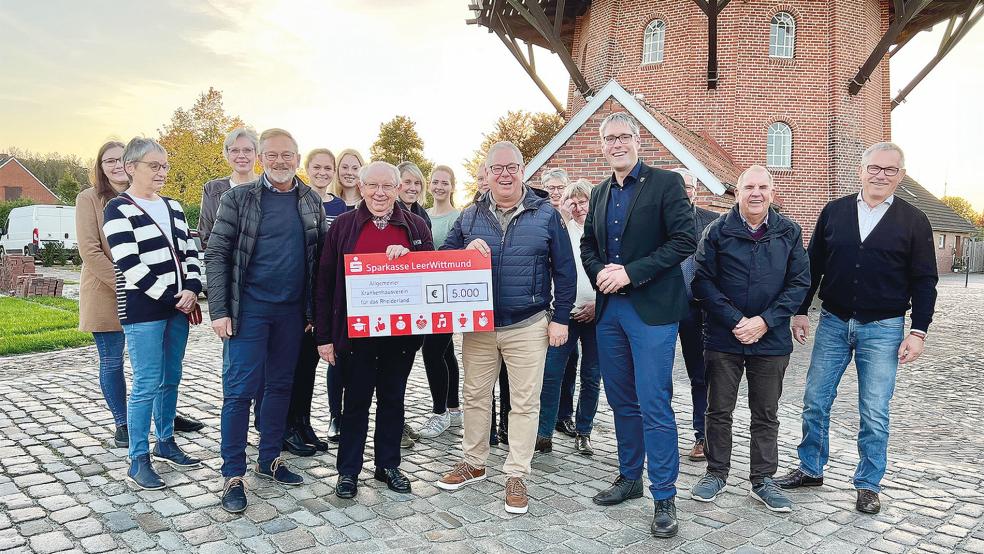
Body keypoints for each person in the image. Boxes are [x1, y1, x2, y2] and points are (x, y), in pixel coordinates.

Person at [776, 142, 938, 515]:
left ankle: (868, 484)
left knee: (874, 410)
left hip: (883, 328)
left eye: (890, 170)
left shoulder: (914, 220)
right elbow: (812, 264)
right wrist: (801, 311)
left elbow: (925, 280)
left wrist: (919, 331)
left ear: (901, 175)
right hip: (832, 321)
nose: (881, 175)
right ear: (861, 170)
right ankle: (811, 468)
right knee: (815, 400)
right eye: (874, 168)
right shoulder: (834, 212)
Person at [435, 141, 576, 516]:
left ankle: (517, 474)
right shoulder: (469, 216)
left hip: (527, 323)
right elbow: (443, 258)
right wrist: (466, 252)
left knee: (525, 403)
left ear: (523, 170)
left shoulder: (546, 214)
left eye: (512, 167)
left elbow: (564, 270)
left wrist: (561, 318)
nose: (504, 174)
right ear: (487, 173)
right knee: (476, 396)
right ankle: (474, 462)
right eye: (497, 168)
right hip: (479, 326)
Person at [580, 112, 696, 538]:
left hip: (651, 312)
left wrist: (630, 271)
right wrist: (601, 274)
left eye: (623, 137)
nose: (616, 144)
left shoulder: (665, 184)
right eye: (609, 139)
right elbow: (587, 243)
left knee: (654, 403)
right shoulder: (597, 192)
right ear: (603, 145)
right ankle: (630, 477)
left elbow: (685, 240)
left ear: (637, 140)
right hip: (610, 312)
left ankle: (664, 494)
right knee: (621, 400)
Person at [205, 128, 328, 513]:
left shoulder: (310, 200)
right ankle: (232, 474)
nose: (280, 161)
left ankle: (270, 457)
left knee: (279, 388)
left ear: (297, 157)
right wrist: (220, 310)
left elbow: (320, 259)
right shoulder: (237, 198)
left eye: (287, 155)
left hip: (291, 315)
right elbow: (216, 254)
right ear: (261, 157)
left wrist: (312, 312)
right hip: (249, 311)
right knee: (239, 391)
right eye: (272, 155)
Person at [689, 165, 810, 513]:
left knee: (766, 412)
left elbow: (798, 284)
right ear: (738, 192)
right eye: (748, 187)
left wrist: (764, 321)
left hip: (770, 340)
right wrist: (736, 320)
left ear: (772, 192)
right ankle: (716, 473)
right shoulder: (716, 232)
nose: (755, 193)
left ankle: (762, 480)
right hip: (724, 337)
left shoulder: (789, 232)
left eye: (762, 187)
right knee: (719, 409)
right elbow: (702, 282)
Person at [314, 161, 434, 499]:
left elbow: (431, 269)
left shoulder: (415, 225)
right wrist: (324, 337)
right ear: (361, 187)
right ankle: (348, 471)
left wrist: (411, 254)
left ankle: (387, 465)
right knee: (355, 402)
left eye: (387, 187)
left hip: (401, 334)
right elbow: (324, 282)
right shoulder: (344, 226)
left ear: (398, 189)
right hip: (356, 335)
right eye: (372, 186)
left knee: (393, 399)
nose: (379, 194)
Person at [102, 137, 203, 490]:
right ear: (131, 168)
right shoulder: (118, 208)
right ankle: (137, 457)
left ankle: (166, 441)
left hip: (180, 306)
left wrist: (192, 288)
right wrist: (171, 297)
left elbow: (190, 251)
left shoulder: (174, 206)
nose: (162, 172)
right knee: (146, 382)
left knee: (171, 376)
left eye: (165, 166)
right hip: (145, 308)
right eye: (154, 166)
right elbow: (129, 263)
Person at [281, 148, 346, 456]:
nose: (322, 172)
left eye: (327, 167)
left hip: (322, 294)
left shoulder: (340, 205)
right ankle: (287, 425)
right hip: (297, 293)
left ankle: (304, 422)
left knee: (309, 365)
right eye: (317, 167)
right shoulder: (298, 199)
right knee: (290, 366)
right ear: (307, 168)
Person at [535, 179, 601, 456]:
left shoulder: (603, 233)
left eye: (583, 200)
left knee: (591, 375)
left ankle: (583, 431)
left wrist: (599, 302)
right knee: (551, 373)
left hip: (598, 314)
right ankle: (543, 433)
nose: (578, 207)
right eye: (572, 202)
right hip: (566, 312)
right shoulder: (563, 230)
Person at [671, 167, 720, 461]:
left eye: (688, 187)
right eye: (677, 187)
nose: (683, 192)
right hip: (662, 308)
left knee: (699, 376)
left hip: (696, 309)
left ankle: (702, 436)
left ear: (696, 190)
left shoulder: (712, 223)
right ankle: (659, 435)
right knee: (658, 377)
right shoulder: (654, 223)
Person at [416, 165, 464, 441]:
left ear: (452, 186)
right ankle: (454, 407)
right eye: (435, 182)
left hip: (446, 294)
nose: (439, 186)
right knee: (446, 353)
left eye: (445, 182)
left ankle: (440, 411)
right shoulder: (424, 216)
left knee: (432, 351)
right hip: (423, 294)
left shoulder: (458, 217)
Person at [324, 148, 366, 442]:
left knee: (361, 364)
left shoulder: (373, 204)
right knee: (336, 358)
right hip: (338, 288)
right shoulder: (332, 205)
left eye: (355, 167)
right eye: (345, 167)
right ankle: (335, 416)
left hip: (365, 292)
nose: (349, 172)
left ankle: (356, 415)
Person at [536, 167, 579, 438]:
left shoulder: (577, 224)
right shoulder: (539, 217)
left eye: (559, 187)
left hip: (568, 307)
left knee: (570, 362)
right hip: (542, 306)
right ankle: (542, 423)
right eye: (550, 187)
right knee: (547, 367)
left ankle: (565, 415)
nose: (555, 191)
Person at [198, 127, 259, 250]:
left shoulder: (270, 188)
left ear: (256, 154)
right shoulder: (212, 189)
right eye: (234, 150)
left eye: (247, 150)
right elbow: (206, 236)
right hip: (224, 265)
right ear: (227, 154)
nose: (241, 156)